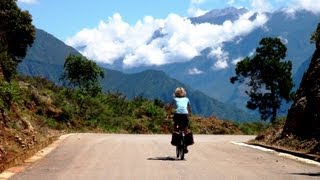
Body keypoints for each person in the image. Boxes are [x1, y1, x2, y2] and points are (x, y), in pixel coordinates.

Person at [168, 87, 192, 153]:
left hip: (177, 115)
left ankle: (176, 140)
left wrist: (169, 115)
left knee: (175, 127)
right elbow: (189, 108)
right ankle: (185, 146)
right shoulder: (187, 99)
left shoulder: (174, 99)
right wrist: (189, 114)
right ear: (184, 93)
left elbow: (170, 107)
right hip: (185, 115)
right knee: (186, 129)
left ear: (175, 93)